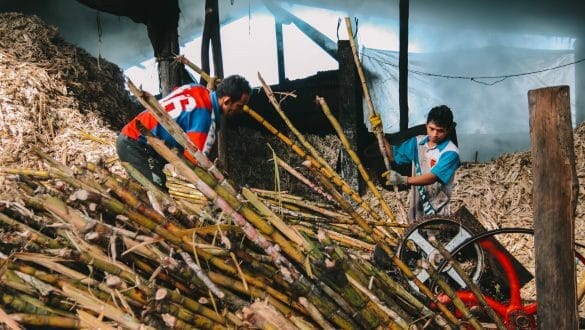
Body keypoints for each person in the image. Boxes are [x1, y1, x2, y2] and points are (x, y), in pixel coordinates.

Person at [116, 75, 251, 190]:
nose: (240, 111)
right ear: (226, 100)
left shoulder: (195, 87)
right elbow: (195, 163)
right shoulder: (205, 119)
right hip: (136, 144)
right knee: (158, 194)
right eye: (239, 106)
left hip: (133, 134)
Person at [382, 105, 460, 222]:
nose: (434, 134)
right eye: (431, 128)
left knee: (435, 237)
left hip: (436, 211)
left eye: (440, 131)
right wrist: (380, 134)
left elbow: (432, 177)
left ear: (447, 130)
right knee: (414, 235)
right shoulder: (417, 142)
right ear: (426, 125)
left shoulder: (450, 152)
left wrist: (404, 180)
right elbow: (393, 156)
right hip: (417, 207)